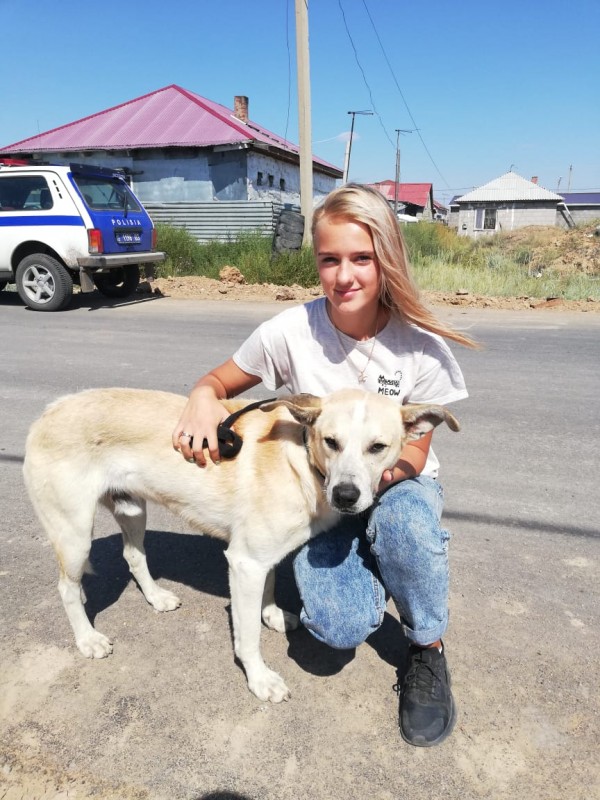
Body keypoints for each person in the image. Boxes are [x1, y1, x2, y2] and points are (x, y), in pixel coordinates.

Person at [172, 184, 478, 747]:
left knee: (405, 526)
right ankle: (367, 560)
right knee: (338, 627)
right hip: (322, 491)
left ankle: (427, 647)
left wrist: (371, 482)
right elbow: (219, 381)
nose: (344, 276)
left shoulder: (420, 346)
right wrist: (200, 395)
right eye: (329, 259)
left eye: (362, 258)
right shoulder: (290, 331)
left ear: (387, 259)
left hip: (394, 483)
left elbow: (415, 450)